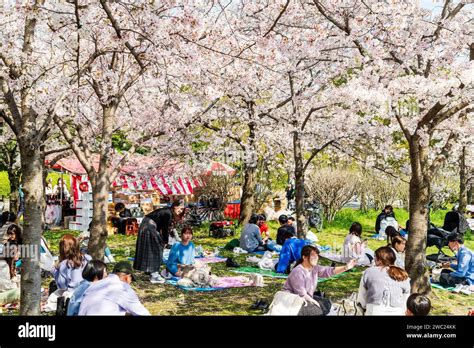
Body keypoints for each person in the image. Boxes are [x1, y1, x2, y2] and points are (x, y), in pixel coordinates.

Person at [283, 245, 356, 315]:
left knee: (326, 303)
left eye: (317, 255)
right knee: (318, 309)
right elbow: (301, 295)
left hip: (305, 299)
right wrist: (314, 302)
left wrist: (346, 267)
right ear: (304, 257)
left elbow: (329, 271)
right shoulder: (298, 272)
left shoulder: (314, 268)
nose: (316, 258)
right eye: (313, 255)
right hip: (293, 303)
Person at [133, 200, 185, 284]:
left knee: (150, 248)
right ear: (175, 206)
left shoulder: (168, 212)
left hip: (147, 225)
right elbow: (165, 229)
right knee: (156, 248)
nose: (181, 211)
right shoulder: (168, 213)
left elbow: (162, 227)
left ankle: (149, 270)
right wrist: (165, 242)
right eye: (180, 208)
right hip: (149, 226)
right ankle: (154, 274)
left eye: (182, 209)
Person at [78, 261, 150, 316]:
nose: (130, 282)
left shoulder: (97, 284)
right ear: (127, 277)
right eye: (131, 280)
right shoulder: (123, 287)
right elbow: (141, 312)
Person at [357, 246, 411, 315]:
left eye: (375, 258)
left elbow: (361, 297)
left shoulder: (368, 272)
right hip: (397, 312)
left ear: (379, 260)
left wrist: (364, 307)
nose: (374, 261)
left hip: (374, 312)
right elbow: (405, 300)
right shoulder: (402, 274)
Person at [45, 234, 92, 312]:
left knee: (52, 299)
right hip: (88, 289)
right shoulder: (87, 258)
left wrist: (54, 270)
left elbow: (62, 286)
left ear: (62, 249)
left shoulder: (64, 264)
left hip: (73, 294)